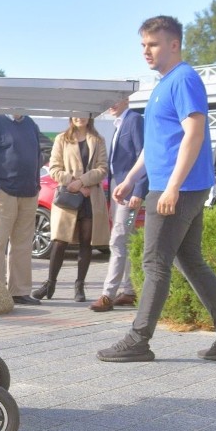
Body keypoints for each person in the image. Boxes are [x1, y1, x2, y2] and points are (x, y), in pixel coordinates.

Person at [97, 15, 216, 362]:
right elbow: (156, 144)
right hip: (178, 186)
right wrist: (130, 177)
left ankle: (138, 340)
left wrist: (171, 188)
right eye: (142, 45)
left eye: (152, 44)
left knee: (155, 263)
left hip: (177, 190)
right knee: (191, 262)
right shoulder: (163, 85)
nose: (146, 51)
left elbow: (194, 133)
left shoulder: (183, 79)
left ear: (174, 44)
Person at [32, 117, 109, 302]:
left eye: (83, 114)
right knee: (59, 241)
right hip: (68, 195)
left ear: (89, 117)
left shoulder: (98, 140)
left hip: (90, 197)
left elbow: (103, 168)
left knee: (86, 242)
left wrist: (83, 182)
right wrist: (73, 182)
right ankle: (50, 284)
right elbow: (54, 169)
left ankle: (79, 286)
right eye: (75, 114)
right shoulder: (62, 139)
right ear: (70, 117)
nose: (79, 118)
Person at [0, 114, 42, 306]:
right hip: (3, 191)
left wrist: (36, 184)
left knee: (23, 245)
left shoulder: (30, 123)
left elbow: (38, 155)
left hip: (28, 192)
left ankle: (19, 291)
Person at [89, 98, 147, 312]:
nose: (111, 105)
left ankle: (108, 294)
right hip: (119, 189)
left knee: (117, 240)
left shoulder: (133, 120)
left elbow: (144, 155)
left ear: (127, 100)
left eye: (116, 100)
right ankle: (130, 291)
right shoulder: (120, 123)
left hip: (129, 191)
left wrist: (139, 190)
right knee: (126, 240)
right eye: (109, 102)